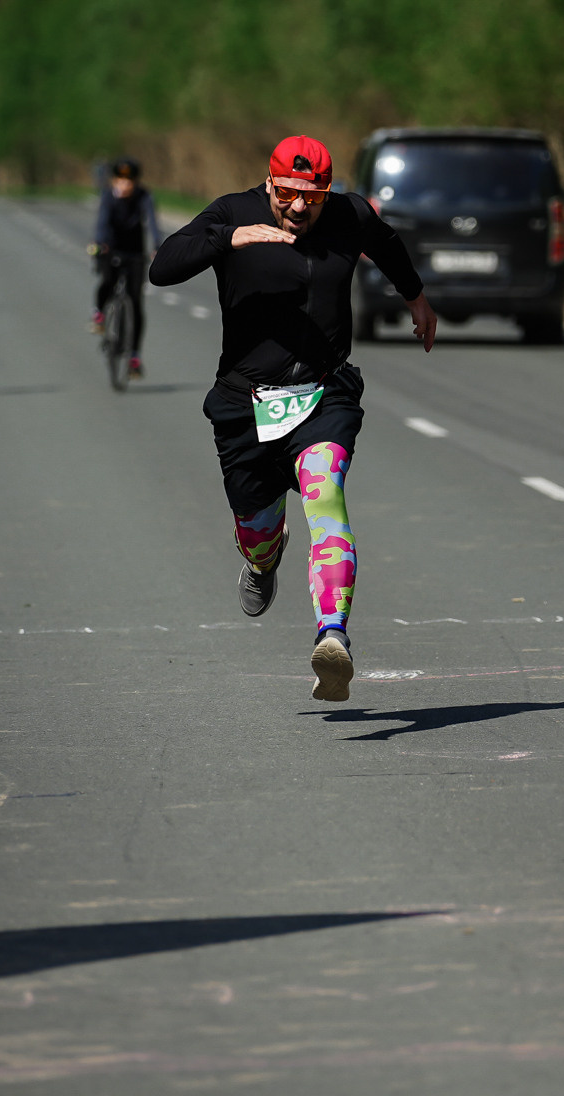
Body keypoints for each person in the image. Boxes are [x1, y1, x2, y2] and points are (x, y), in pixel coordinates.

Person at [150, 135, 437, 703]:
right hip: (244, 402)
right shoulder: (234, 211)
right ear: (270, 182)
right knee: (257, 531)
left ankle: (333, 637)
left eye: (313, 196)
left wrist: (416, 298)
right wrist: (227, 239)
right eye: (288, 195)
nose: (300, 208)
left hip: (323, 392)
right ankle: (263, 558)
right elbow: (162, 267)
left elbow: (387, 243)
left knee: (325, 493)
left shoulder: (349, 213)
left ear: (328, 190)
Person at [90, 157, 163, 378]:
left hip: (135, 254)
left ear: (136, 182)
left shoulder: (144, 197)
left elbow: (152, 223)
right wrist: (100, 243)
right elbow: (103, 222)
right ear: (113, 181)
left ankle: (134, 356)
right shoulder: (108, 198)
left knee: (135, 301)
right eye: (120, 180)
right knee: (107, 283)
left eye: (129, 181)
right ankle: (99, 313)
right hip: (110, 250)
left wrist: (158, 246)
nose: (124, 185)